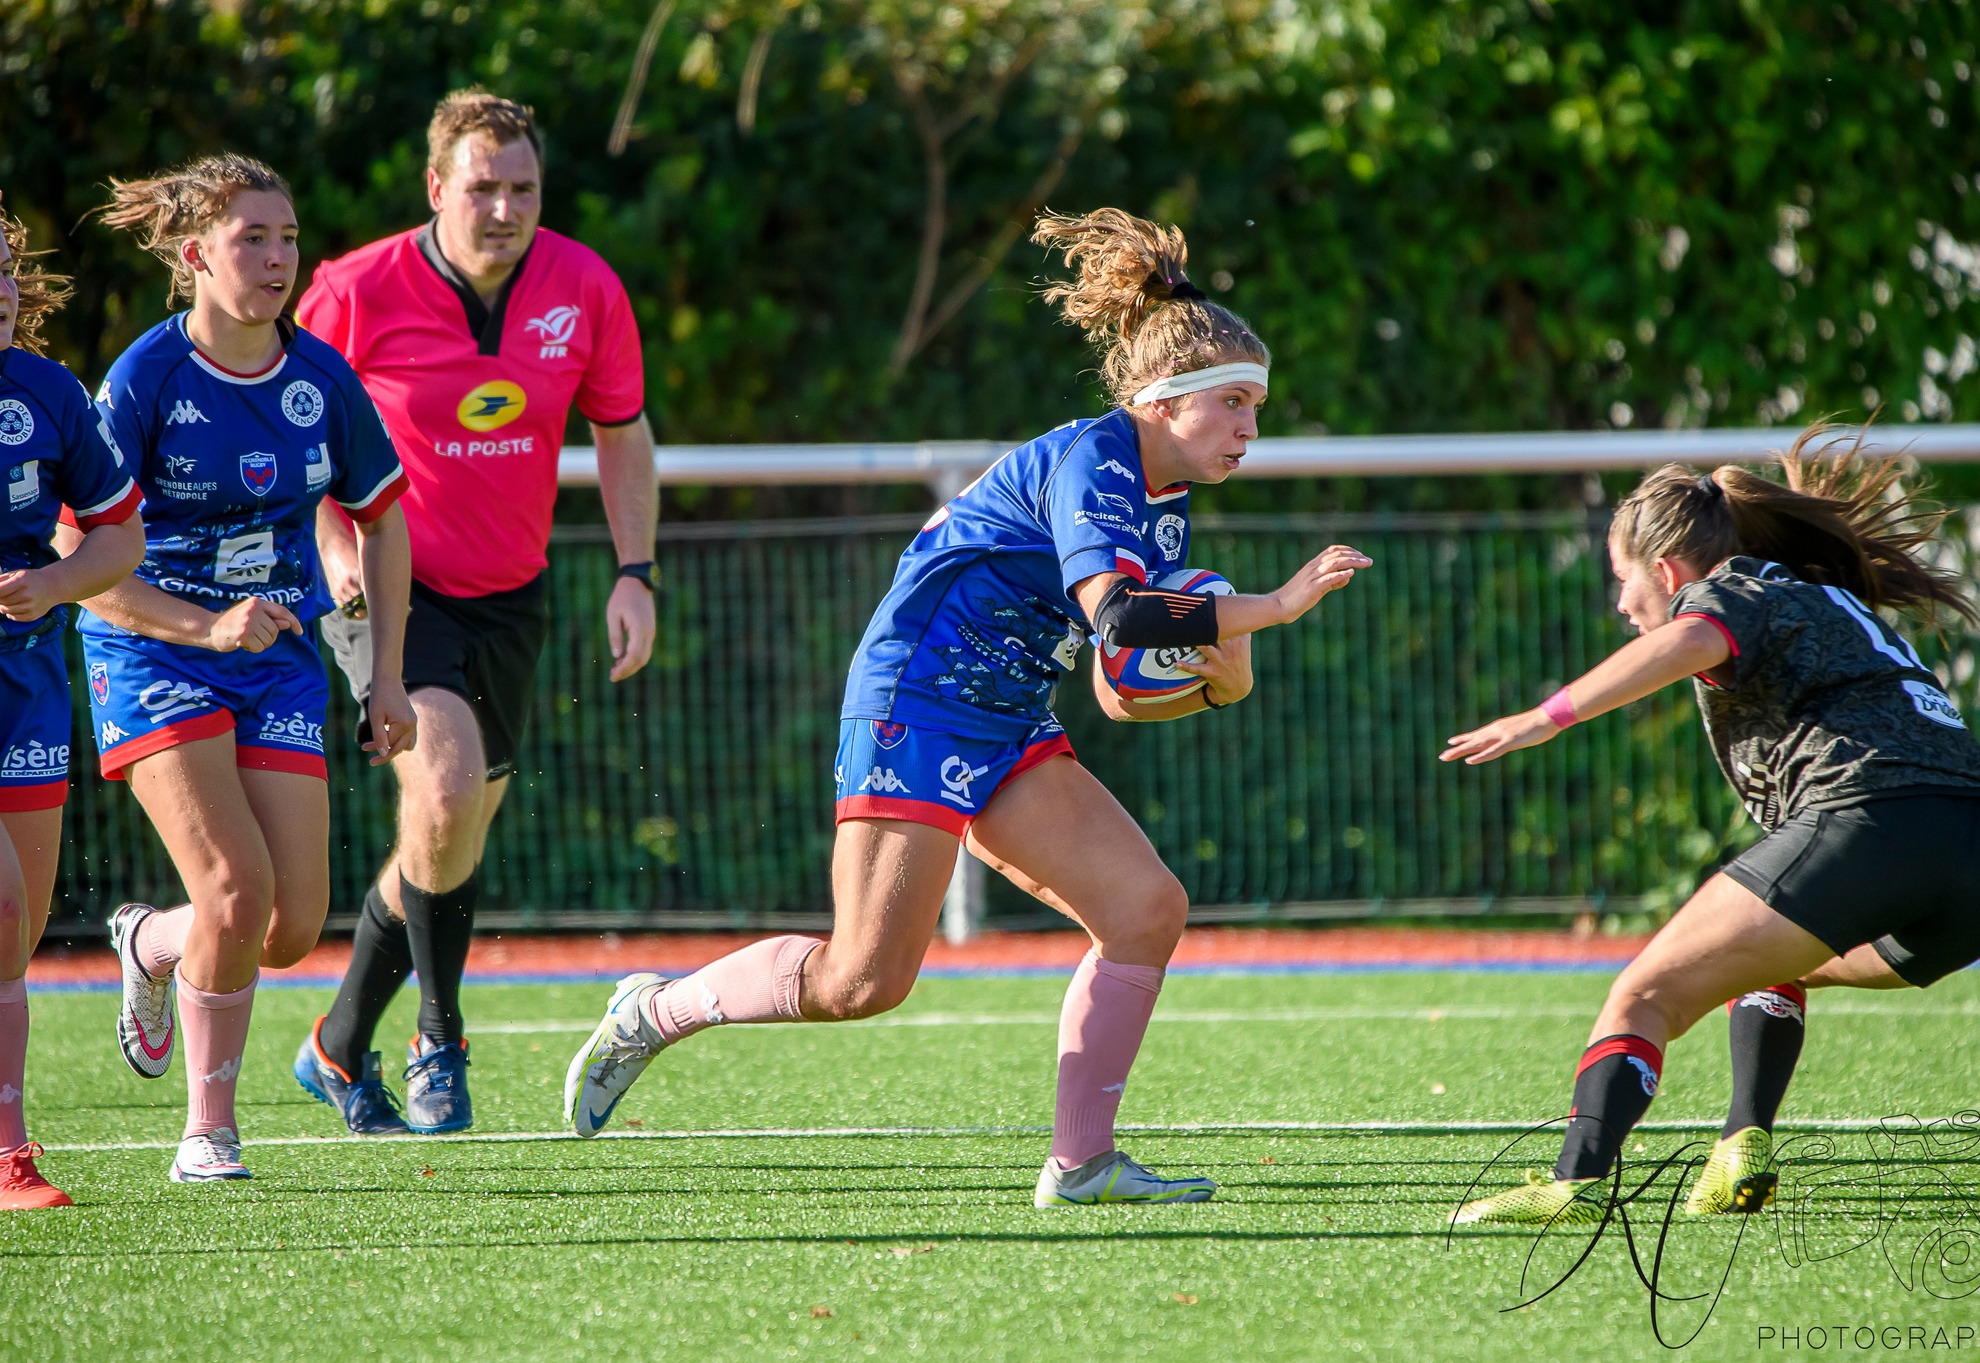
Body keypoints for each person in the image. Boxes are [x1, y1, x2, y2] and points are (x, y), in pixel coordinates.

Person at [564, 207, 1371, 1207]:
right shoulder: (1098, 459)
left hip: (1009, 719)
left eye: (1258, 406)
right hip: (916, 701)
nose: (1252, 427)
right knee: (861, 982)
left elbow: (1119, 688)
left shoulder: (1160, 501)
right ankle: (654, 1010)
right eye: (1234, 402)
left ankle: (1081, 1164)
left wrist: (1221, 677)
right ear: (1163, 399)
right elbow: (1120, 616)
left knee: (1145, 908)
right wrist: (1274, 606)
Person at [1443, 426, 1980, 1225]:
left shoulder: (1732, 588)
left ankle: (1573, 1184)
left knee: (1642, 993)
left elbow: (1692, 637)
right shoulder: (1820, 594)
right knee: (1765, 963)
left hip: (1872, 821)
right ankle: (1740, 1144)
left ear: (1664, 570)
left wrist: (1545, 716)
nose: (1622, 603)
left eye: (1622, 580)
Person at [292, 89, 657, 1136]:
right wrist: (333, 551)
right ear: (435, 186)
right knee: (446, 793)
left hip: (513, 597)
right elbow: (289, 431)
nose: (504, 208)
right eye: (483, 187)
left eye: (523, 188)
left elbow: (623, 432)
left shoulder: (584, 285)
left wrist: (636, 572)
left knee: (446, 835)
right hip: (388, 588)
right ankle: (438, 1041)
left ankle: (336, 1043)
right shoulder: (354, 290)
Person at [81, 155, 415, 1182]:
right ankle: (207, 1131)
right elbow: (82, 563)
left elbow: (382, 519)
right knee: (234, 889)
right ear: (195, 255)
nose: (277, 259)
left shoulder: (322, 380)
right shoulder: (144, 379)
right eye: (251, 239)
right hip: (152, 648)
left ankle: (150, 942)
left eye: (288, 238)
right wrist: (203, 626)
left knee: (288, 924)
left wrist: (387, 675)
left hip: (274, 659)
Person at [0, 193, 146, 1208]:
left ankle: (5, 1145)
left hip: (25, 681)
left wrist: (53, 581)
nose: (1, 291)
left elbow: (119, 535)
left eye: (4, 270)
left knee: (17, 931)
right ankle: (8, 1151)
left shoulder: (47, 392)